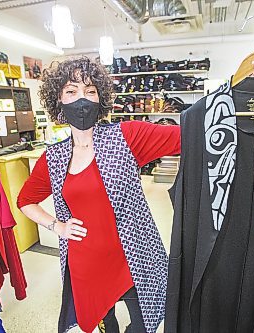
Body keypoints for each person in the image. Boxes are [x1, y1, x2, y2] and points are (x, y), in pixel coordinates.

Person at [17, 56, 180, 333]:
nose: (82, 99)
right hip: (88, 266)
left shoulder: (127, 136)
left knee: (143, 324)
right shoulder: (53, 158)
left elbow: (187, 136)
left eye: (90, 90)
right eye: (71, 91)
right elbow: (25, 201)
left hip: (134, 259)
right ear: (58, 101)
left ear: (100, 98)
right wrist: (57, 226)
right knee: (107, 325)